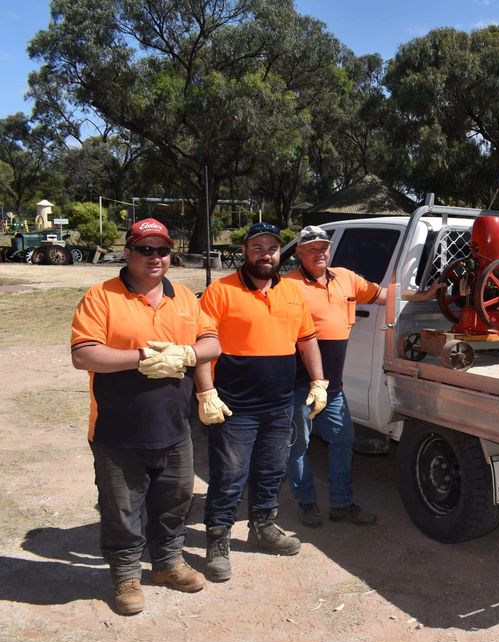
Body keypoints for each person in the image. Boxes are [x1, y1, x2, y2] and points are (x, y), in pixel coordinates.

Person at [70, 218, 221, 615]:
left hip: (175, 427)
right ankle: (125, 574)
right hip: (117, 431)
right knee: (122, 509)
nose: (155, 257)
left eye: (162, 250)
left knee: (174, 501)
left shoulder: (185, 297)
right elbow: (83, 354)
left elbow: (212, 341)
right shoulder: (101, 296)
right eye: (145, 249)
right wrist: (142, 358)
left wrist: (189, 355)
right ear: (128, 253)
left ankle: (168, 563)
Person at [196, 221, 328, 582]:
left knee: (271, 470)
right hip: (234, 404)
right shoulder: (219, 292)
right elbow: (203, 347)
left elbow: (307, 340)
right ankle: (217, 538)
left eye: (271, 248)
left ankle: (262, 526)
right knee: (229, 475)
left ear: (278, 253)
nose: (265, 254)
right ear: (244, 252)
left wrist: (318, 381)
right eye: (257, 247)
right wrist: (205, 392)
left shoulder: (291, 293)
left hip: (280, 403)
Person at [284, 226, 441, 527]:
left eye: (324, 247)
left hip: (333, 386)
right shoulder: (287, 284)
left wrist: (424, 294)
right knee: (298, 445)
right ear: (299, 253)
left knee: (343, 440)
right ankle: (306, 503)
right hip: (297, 384)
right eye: (312, 248)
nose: (320, 252)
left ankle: (341, 504)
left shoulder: (345, 277)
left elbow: (382, 295)